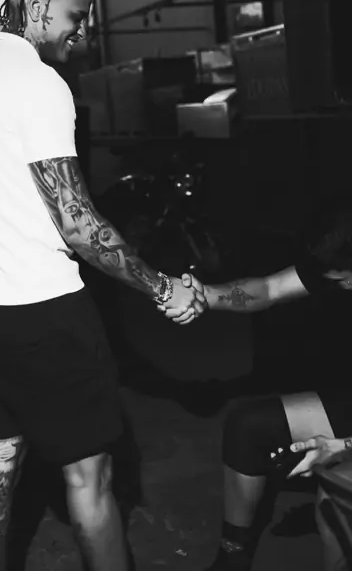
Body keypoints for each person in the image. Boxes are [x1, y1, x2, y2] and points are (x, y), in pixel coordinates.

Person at [0, 0, 206, 571]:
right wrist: (163, 288)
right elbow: (78, 223)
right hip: (44, 313)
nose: (80, 34)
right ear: (35, 5)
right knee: (90, 480)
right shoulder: (37, 83)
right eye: (75, 17)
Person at [160, 204, 352, 570]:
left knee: (334, 510)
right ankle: (233, 557)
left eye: (346, 279)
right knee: (248, 427)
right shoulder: (340, 253)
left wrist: (344, 448)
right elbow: (269, 288)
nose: (347, 287)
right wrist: (205, 294)